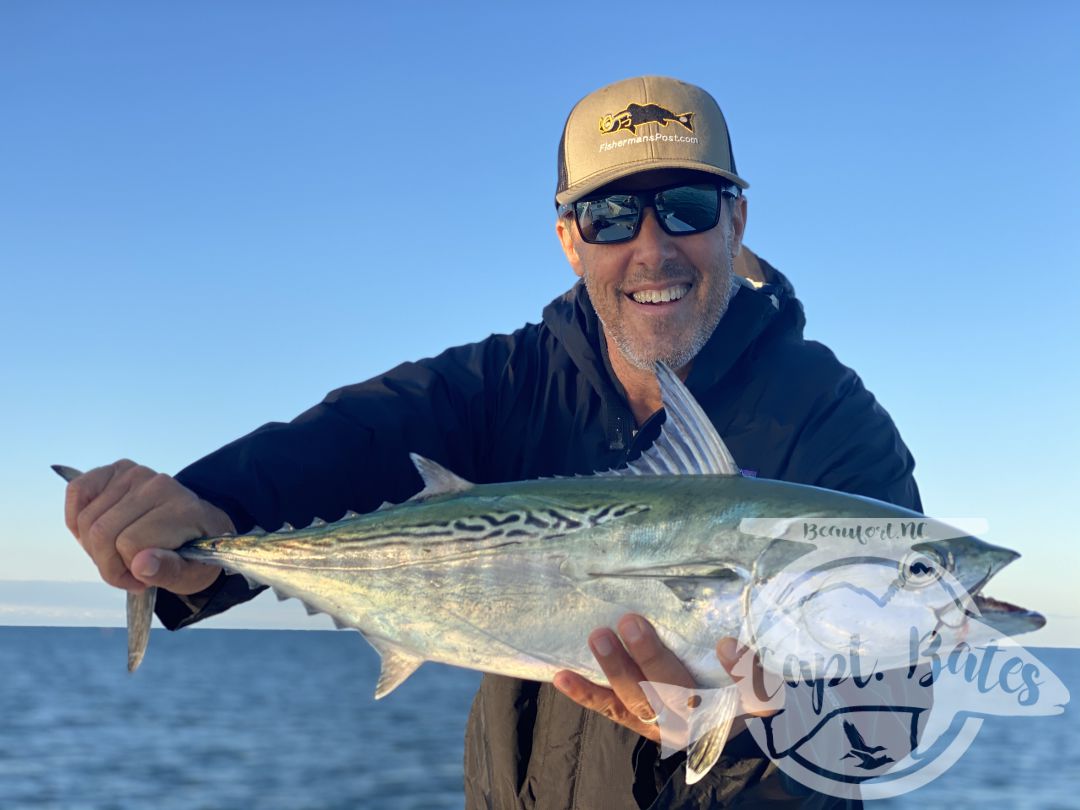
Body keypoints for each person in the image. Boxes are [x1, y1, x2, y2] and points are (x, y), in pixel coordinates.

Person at [63, 76, 921, 808]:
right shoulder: (512, 382)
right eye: (613, 214)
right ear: (568, 240)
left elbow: (891, 700)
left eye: (687, 208)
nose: (652, 249)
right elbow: (356, 437)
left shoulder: (831, 422)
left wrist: (756, 729)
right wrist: (211, 513)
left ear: (736, 222)